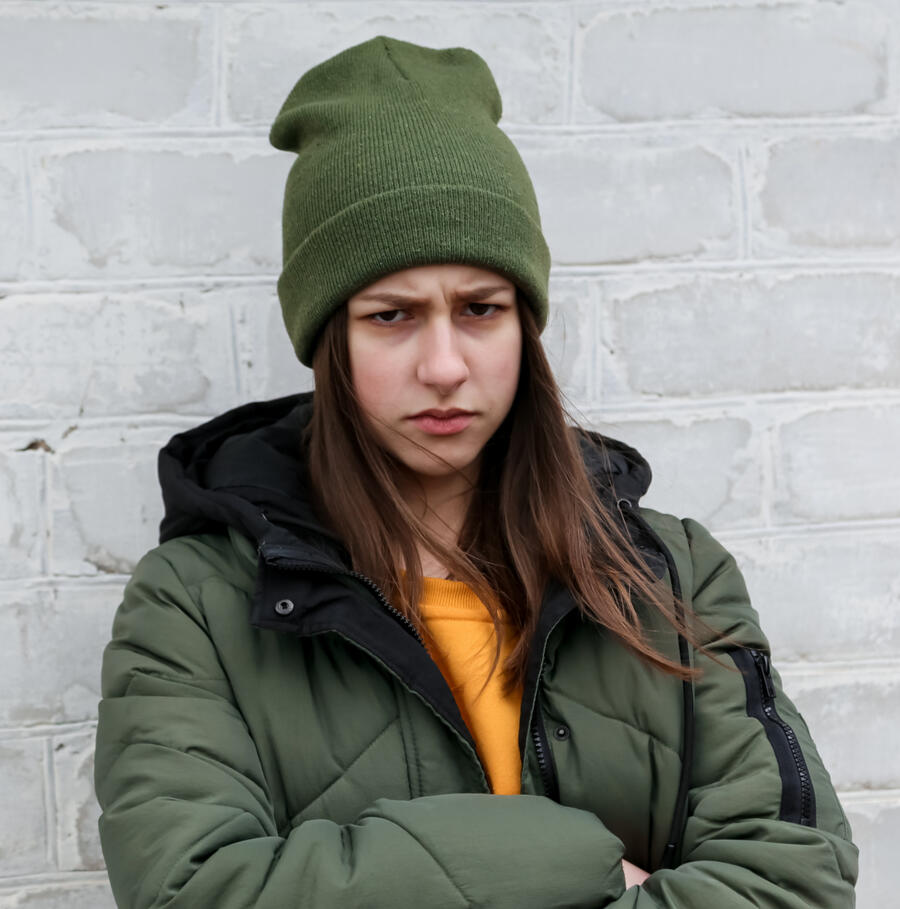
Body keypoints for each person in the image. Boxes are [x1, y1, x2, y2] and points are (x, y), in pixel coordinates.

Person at [93, 35, 858, 908]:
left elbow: (795, 878)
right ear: (328, 340)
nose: (446, 364)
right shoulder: (194, 606)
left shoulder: (672, 577)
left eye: (481, 308)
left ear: (523, 326)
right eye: (392, 315)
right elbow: (193, 891)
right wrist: (578, 860)